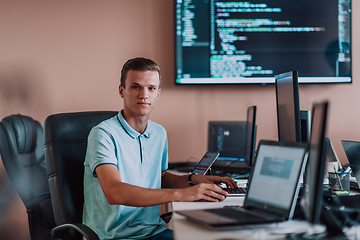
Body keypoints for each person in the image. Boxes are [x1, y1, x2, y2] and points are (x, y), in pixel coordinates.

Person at [83, 57, 237, 240]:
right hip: (114, 236)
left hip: (152, 231)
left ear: (158, 93)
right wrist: (182, 194)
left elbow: (160, 177)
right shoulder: (102, 134)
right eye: (135, 87)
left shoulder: (159, 133)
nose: (144, 94)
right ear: (121, 91)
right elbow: (115, 192)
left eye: (151, 88)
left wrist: (192, 180)